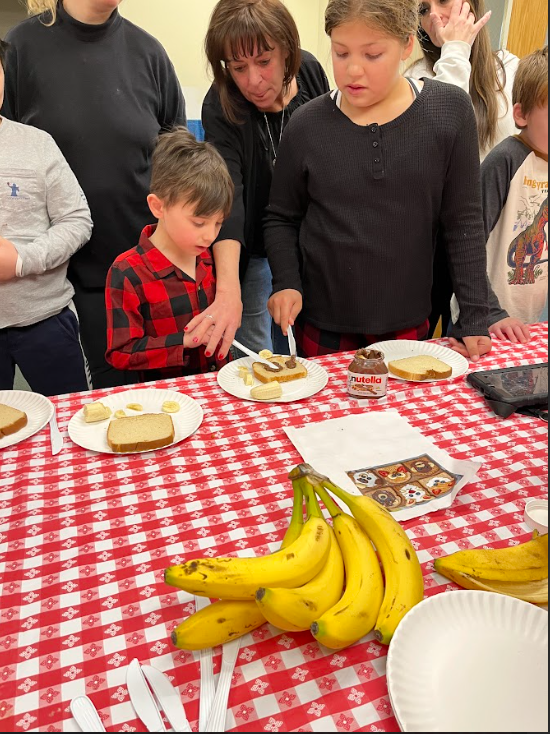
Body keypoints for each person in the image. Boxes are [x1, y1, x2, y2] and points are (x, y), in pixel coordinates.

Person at [264, 0, 492, 363]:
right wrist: (286, 281)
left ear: (406, 44)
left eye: (372, 55)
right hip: (322, 324)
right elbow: (281, 217)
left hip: (405, 323)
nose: (353, 70)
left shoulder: (450, 111)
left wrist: (476, 314)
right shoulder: (306, 124)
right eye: (340, 53)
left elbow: (463, 221)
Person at [1, 0, 186, 389]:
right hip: (59, 286)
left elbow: (180, 162)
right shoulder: (22, 47)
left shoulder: (149, 52)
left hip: (145, 272)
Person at [187, 0, 330, 361]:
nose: (253, 80)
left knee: (302, 341)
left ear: (288, 51)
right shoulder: (221, 105)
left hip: (307, 240)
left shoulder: (311, 72)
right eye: (238, 67)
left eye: (264, 62)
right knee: (254, 349)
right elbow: (228, 196)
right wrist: (228, 290)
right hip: (248, 247)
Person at [406, 0, 520, 338]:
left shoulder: (509, 69)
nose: (435, 16)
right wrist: (454, 51)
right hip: (436, 240)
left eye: (442, 1)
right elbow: (441, 139)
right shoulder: (416, 77)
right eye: (424, 9)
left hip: (498, 238)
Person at [105, 128, 234, 383]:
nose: (210, 236)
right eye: (199, 223)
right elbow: (120, 353)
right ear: (158, 206)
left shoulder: (210, 258)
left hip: (218, 389)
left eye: (218, 224)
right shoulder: (127, 272)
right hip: (166, 400)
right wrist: (183, 342)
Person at [0, 37, 92, 396]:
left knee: (70, 425)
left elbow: (77, 219)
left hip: (47, 320)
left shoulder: (37, 144)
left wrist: (23, 261)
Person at [475, 47, 548, 338]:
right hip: (483, 320)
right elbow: (468, 243)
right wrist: (490, 312)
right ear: (521, 114)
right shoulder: (505, 161)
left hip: (526, 324)